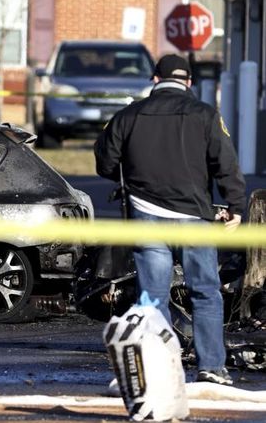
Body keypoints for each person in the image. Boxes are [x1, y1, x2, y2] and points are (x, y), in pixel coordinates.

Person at [94, 54, 246, 386]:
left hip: (147, 216)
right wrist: (235, 204)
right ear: (189, 82)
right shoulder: (206, 115)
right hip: (194, 217)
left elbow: (105, 163)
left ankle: (161, 366)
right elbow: (226, 163)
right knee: (205, 292)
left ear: (154, 79)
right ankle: (212, 367)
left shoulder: (129, 115)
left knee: (152, 296)